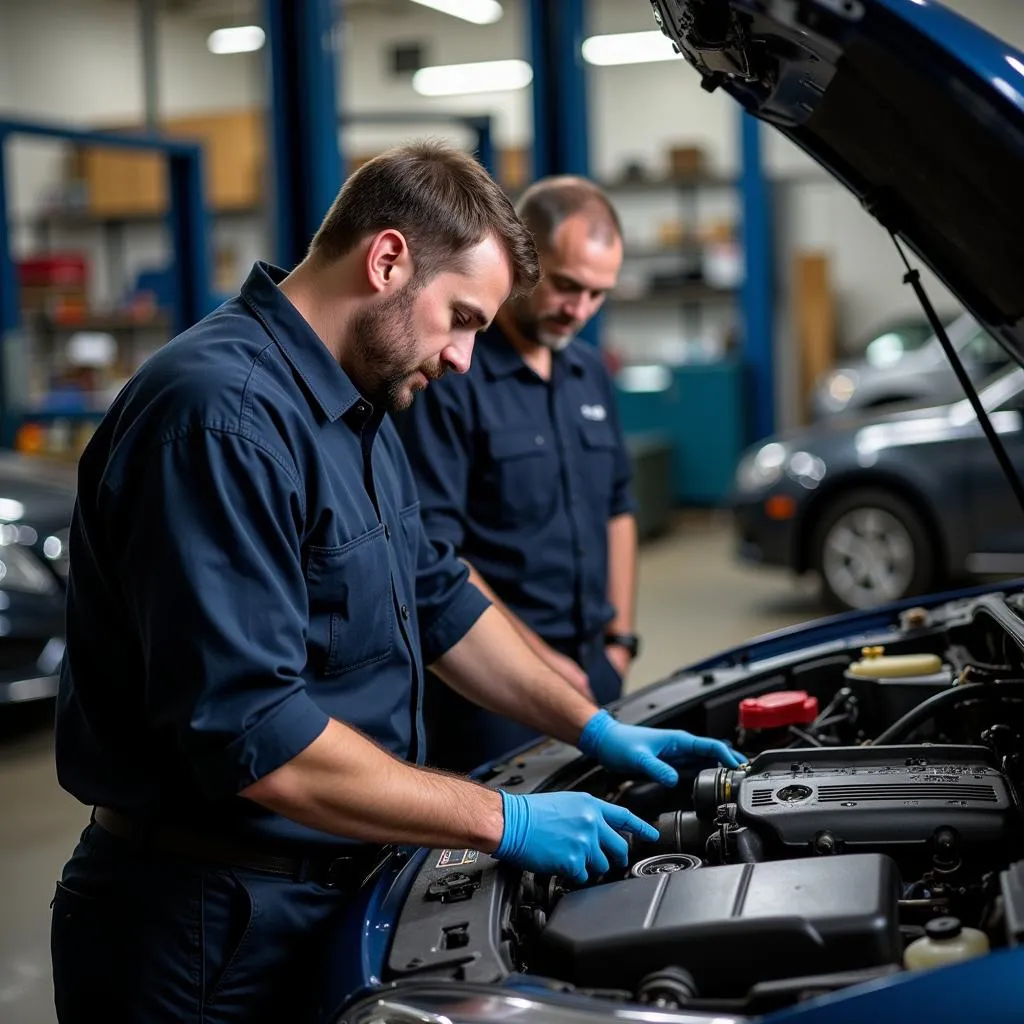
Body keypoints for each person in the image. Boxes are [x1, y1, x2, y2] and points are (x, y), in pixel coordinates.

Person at [50, 142, 740, 1024]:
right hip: (202, 929)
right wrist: (504, 820)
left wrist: (594, 725)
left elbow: (441, 597)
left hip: (324, 890)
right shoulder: (221, 420)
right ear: (386, 261)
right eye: (461, 318)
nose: (461, 359)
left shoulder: (359, 405)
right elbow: (257, 733)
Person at [397, 175, 637, 772]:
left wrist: (620, 643)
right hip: (493, 691)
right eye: (565, 286)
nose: (578, 310)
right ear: (524, 258)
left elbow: (619, 507)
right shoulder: (451, 376)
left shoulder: (589, 374)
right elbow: (434, 553)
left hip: (597, 669)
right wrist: (535, 665)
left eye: (597, 294)